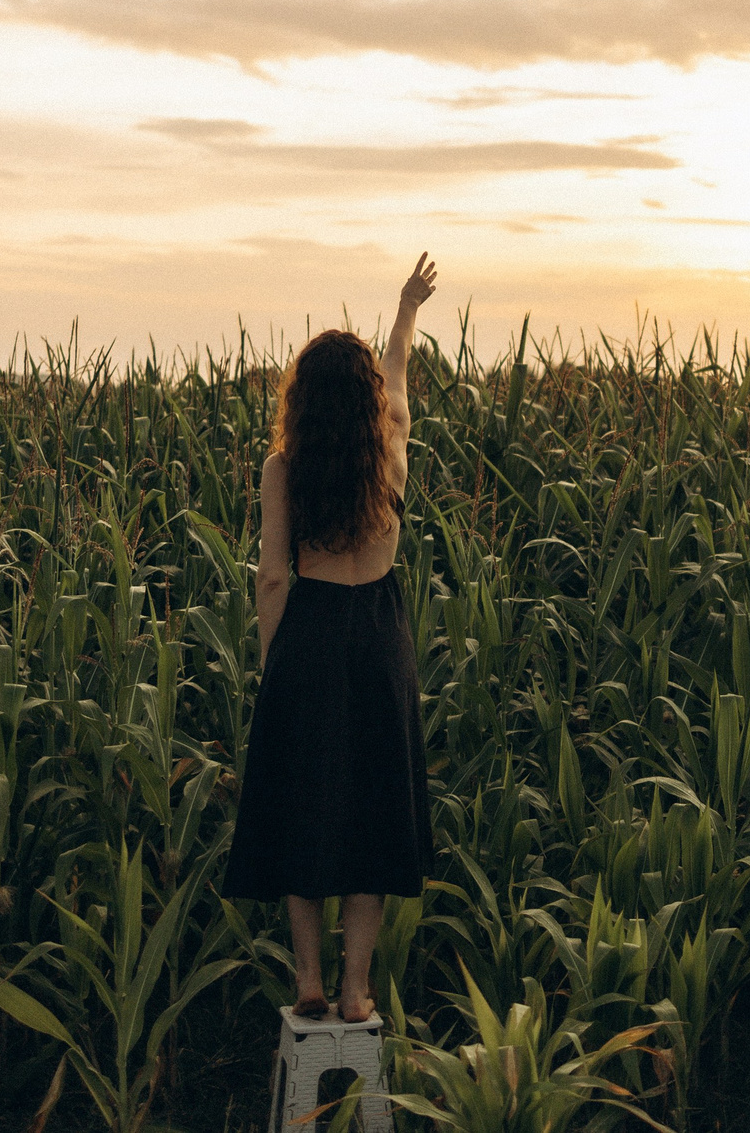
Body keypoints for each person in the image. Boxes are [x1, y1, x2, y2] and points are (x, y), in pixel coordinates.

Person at [224, 253, 439, 1023]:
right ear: (371, 401)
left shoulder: (283, 467)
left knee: (299, 800)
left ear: (302, 401)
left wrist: (272, 661)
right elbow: (401, 366)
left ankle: (309, 979)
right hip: (378, 634)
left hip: (310, 631)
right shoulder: (393, 451)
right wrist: (408, 306)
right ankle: (356, 990)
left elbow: (272, 576)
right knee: (375, 809)